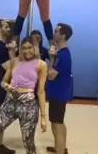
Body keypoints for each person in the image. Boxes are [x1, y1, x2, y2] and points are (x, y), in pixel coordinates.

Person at [0, 36, 48, 154]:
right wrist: (6, 86)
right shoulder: (15, 61)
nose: (27, 51)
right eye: (24, 48)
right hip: (9, 103)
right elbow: (3, 81)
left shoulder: (41, 64)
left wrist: (43, 117)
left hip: (28, 106)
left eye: (30, 47)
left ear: (35, 48)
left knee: (28, 144)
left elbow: (41, 91)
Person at [45, 23, 73, 154]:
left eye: (56, 31)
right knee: (59, 122)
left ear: (63, 35)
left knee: (57, 124)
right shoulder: (62, 53)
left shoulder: (63, 56)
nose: (54, 33)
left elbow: (50, 76)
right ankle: (60, 147)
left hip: (59, 94)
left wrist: (51, 59)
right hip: (58, 93)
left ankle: (60, 150)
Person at [0, 20, 16, 154]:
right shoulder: (0, 48)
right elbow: (10, 69)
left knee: (1, 116)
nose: (8, 29)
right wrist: (12, 53)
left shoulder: (1, 47)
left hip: (2, 86)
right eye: (6, 27)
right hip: (0, 86)